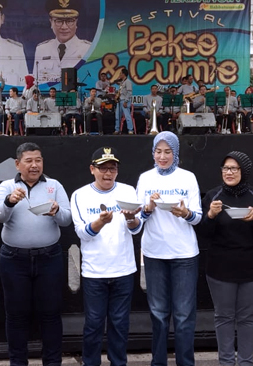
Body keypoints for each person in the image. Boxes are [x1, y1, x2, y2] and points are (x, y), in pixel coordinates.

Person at [0, 142, 72, 365]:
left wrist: (55, 211)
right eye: (29, 161)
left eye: (38, 160)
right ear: (18, 164)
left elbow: (67, 219)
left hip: (49, 258)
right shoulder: (6, 187)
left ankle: (53, 362)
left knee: (51, 314)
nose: (35, 165)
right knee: (16, 316)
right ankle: (18, 362)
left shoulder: (54, 185)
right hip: (13, 260)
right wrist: (9, 202)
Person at [197, 151, 253, 366]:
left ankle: (246, 362)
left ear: (244, 170)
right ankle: (226, 362)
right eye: (225, 168)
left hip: (251, 267)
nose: (229, 172)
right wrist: (211, 216)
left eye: (234, 168)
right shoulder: (212, 196)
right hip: (220, 268)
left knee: (247, 318)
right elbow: (203, 233)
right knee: (223, 317)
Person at [70, 147, 142, 366]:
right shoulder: (80, 195)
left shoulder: (128, 191)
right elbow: (82, 232)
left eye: (112, 168)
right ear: (92, 169)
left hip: (124, 269)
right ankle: (91, 363)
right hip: (94, 271)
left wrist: (131, 219)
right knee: (93, 322)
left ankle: (118, 362)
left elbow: (136, 229)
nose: (108, 173)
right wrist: (100, 222)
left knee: (120, 323)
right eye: (103, 168)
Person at [136, 131, 202, 366]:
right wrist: (148, 208)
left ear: (175, 153)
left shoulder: (188, 178)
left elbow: (197, 218)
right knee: (158, 314)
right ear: (153, 153)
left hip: (184, 254)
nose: (162, 156)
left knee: (184, 316)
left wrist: (186, 213)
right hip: (154, 253)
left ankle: (186, 362)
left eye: (167, 152)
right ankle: (158, 362)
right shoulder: (145, 178)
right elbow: (138, 219)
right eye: (158, 151)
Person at [35, 0, 91, 82]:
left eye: (70, 21)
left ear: (76, 22)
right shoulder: (42, 49)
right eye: (58, 21)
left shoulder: (87, 49)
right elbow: (37, 81)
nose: (64, 27)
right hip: (49, 95)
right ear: (51, 22)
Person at [113, 68, 134, 135]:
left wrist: (126, 101)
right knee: (117, 116)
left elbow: (129, 92)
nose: (119, 75)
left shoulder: (128, 82)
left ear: (123, 74)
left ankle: (130, 130)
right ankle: (117, 129)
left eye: (120, 73)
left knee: (127, 116)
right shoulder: (122, 82)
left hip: (125, 101)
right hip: (120, 100)